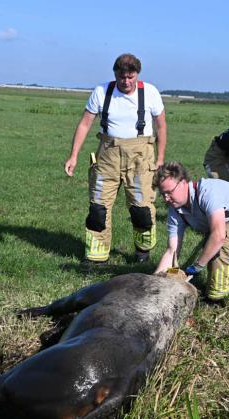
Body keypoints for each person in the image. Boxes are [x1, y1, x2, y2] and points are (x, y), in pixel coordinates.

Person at [64, 53, 167, 264]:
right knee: (98, 208)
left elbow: (161, 126)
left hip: (140, 157)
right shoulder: (101, 91)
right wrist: (73, 156)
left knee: (142, 210)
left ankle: (143, 254)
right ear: (115, 74)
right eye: (122, 77)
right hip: (107, 156)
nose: (126, 82)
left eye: (131, 77)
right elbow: (85, 124)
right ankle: (96, 257)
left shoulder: (150, 92)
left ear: (137, 74)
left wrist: (160, 158)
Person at [153, 161, 229, 301]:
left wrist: (197, 266)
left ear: (183, 182)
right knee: (225, 280)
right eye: (163, 194)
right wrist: (153, 282)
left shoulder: (206, 191)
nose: (166, 198)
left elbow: (219, 236)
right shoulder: (175, 209)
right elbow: (171, 251)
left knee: (220, 242)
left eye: (169, 192)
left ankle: (216, 298)